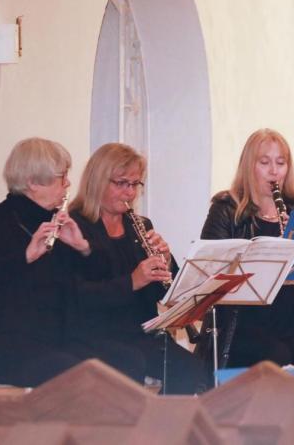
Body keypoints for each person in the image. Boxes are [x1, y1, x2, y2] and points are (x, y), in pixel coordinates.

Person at [0, 137, 145, 387]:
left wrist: (83, 248)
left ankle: (110, 427)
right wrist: (25, 257)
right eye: (61, 177)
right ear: (32, 182)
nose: (68, 184)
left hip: (51, 340)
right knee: (73, 373)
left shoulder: (58, 224)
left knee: (127, 360)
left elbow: (97, 277)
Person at [196, 128, 294, 371]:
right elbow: (210, 274)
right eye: (265, 162)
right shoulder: (226, 210)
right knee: (277, 356)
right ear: (249, 166)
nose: (274, 171)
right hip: (243, 322)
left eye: (280, 163)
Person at [67, 142, 209, 395]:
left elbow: (162, 293)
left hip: (139, 332)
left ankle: (164, 430)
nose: (129, 193)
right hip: (93, 334)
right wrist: (132, 281)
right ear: (98, 181)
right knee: (131, 361)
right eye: (121, 183)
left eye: (135, 184)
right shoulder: (75, 227)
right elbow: (77, 295)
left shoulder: (139, 225)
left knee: (192, 369)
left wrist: (166, 261)